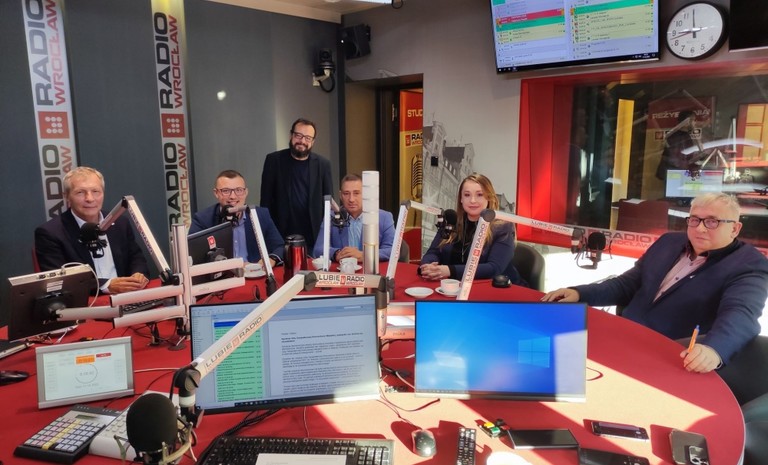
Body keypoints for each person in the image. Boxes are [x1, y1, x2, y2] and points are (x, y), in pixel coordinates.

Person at [542, 192, 768, 373]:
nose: (700, 228)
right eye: (695, 220)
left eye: (712, 222)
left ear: (735, 228)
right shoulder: (668, 242)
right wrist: (579, 293)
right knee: (549, 361)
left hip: (669, 356)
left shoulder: (749, 265)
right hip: (621, 336)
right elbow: (627, 285)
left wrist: (713, 350)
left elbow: (741, 315)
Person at [35, 166, 149, 294]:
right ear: (67, 196)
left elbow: (136, 257)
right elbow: (59, 281)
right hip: (87, 302)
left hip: (127, 296)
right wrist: (106, 285)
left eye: (95, 191)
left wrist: (138, 274)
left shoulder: (120, 222)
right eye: (80, 192)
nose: (90, 198)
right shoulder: (50, 233)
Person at [419, 173, 523, 284]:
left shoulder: (504, 227)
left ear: (488, 197)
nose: (473, 200)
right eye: (467, 195)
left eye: (479, 195)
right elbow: (433, 252)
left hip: (497, 288)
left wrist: (449, 270)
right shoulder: (452, 221)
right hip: (453, 286)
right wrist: (428, 266)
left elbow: (493, 268)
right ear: (461, 199)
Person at [260, 118, 333, 251]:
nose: (302, 141)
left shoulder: (323, 164)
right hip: (280, 234)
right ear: (291, 135)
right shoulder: (274, 160)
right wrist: (267, 233)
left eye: (307, 138)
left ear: (313, 141)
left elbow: (328, 202)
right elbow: (265, 201)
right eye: (298, 135)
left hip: (313, 235)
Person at [190, 170, 284, 267]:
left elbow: (279, 247)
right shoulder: (203, 219)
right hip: (223, 274)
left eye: (239, 190)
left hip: (255, 271)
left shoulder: (260, 215)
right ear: (216, 193)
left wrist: (271, 259)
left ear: (246, 192)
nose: (233, 196)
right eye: (226, 191)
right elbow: (192, 255)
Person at [312, 174, 395, 262]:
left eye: (356, 193)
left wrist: (364, 255)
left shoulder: (384, 217)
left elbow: (392, 250)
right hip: (342, 269)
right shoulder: (332, 216)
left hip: (371, 269)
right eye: (346, 193)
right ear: (340, 195)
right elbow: (318, 249)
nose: (351, 199)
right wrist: (337, 253)